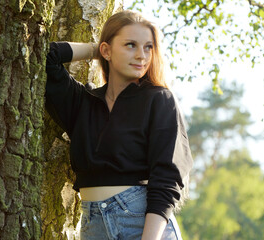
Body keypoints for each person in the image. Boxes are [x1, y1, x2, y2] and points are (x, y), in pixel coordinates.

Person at [45, 10, 193, 240]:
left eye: (149, 47)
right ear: (107, 50)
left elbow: (167, 178)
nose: (142, 56)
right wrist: (99, 50)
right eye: (131, 45)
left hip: (142, 225)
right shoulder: (84, 103)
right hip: (93, 227)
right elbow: (48, 55)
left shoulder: (159, 99)